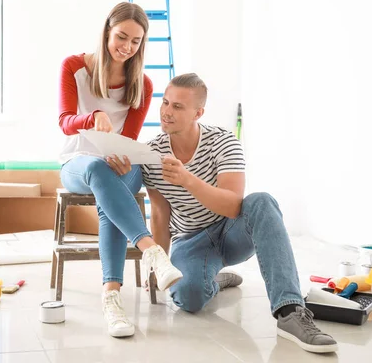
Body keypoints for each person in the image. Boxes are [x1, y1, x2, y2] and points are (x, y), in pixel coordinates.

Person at [141, 73, 338, 354]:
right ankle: (213, 281)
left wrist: (187, 179)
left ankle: (290, 312)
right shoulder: (153, 154)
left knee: (261, 201)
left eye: (178, 107)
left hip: (231, 230)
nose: (167, 112)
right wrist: (158, 268)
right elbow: (160, 215)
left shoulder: (224, 142)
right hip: (190, 240)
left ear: (199, 113)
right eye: (165, 103)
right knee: (188, 298)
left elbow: (234, 205)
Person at [57, 1, 182, 338]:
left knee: (112, 179)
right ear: (107, 32)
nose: (127, 47)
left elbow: (127, 139)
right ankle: (151, 251)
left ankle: (112, 299)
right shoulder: (74, 67)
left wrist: (124, 156)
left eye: (136, 41)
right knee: (100, 171)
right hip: (77, 162)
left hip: (117, 165)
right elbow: (65, 122)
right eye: (121, 37)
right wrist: (91, 118)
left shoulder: (142, 84)